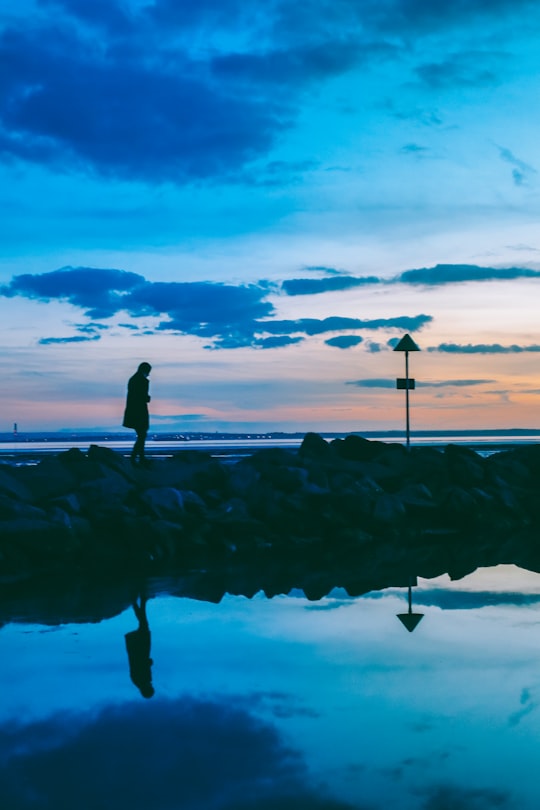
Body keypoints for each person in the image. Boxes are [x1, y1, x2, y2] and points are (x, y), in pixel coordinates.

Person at [124, 593, 155, 699]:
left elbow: (138, 665)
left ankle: (140, 601)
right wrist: (149, 663)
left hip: (139, 649)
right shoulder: (140, 681)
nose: (151, 685)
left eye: (150, 687)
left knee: (144, 624)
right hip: (141, 649)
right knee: (144, 624)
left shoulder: (140, 680)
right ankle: (140, 602)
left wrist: (149, 663)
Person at [123, 362, 152, 466]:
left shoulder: (133, 380)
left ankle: (137, 457)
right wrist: (148, 398)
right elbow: (142, 397)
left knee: (141, 435)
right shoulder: (142, 381)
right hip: (139, 412)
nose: (149, 374)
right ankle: (136, 457)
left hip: (133, 411)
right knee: (142, 435)